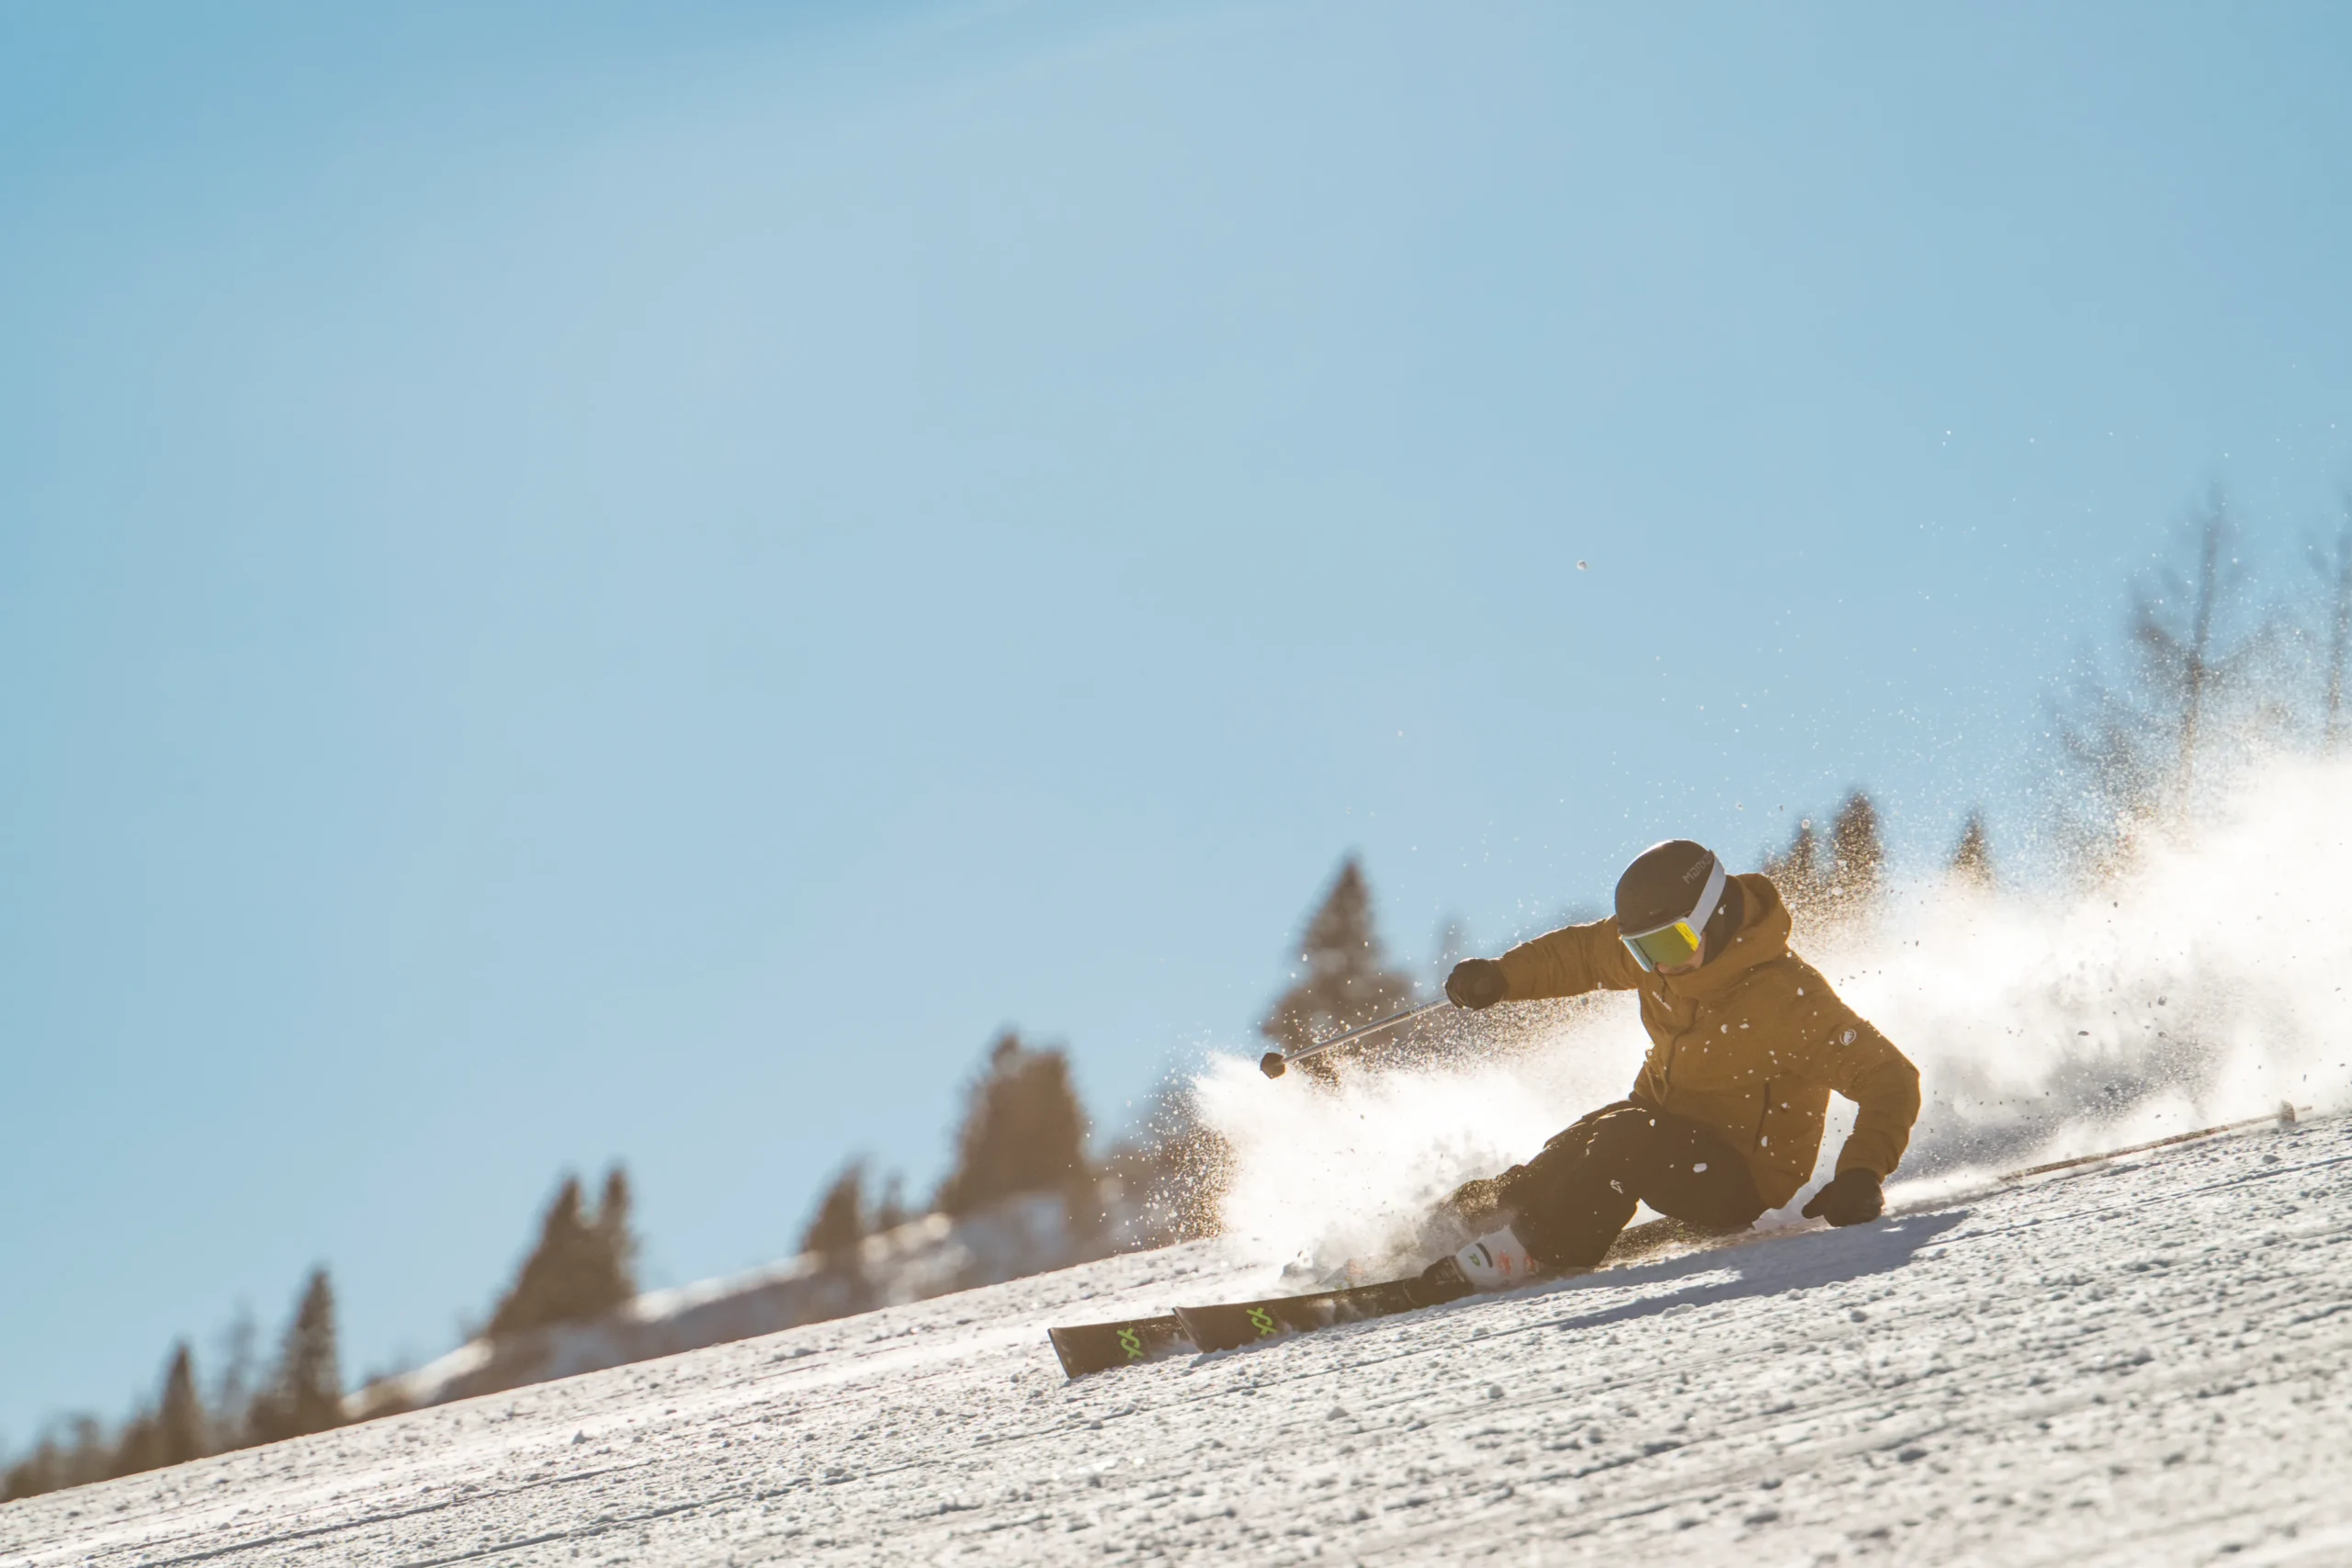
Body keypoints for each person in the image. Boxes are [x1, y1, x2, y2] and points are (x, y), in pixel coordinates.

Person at [1423, 838, 1921, 1293]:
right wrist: (1501, 977)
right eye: (1642, 949)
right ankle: (1460, 1224)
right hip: (1658, 1122)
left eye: (1670, 944)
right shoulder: (1664, 961)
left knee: (1622, 1144)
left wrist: (1861, 1172)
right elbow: (1580, 956)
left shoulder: (1787, 1000)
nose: (1659, 965)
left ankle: (1538, 1248)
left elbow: (1890, 1078)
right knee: (1579, 1143)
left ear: (1717, 916)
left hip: (1736, 1175)